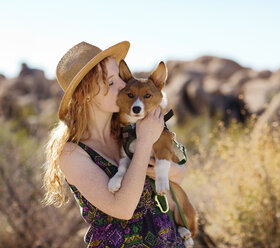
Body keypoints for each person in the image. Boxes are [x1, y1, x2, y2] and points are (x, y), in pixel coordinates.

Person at [42, 41, 187, 247]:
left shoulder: (131, 127)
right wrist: (145, 142)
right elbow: (122, 209)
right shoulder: (72, 153)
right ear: (86, 95)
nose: (122, 85)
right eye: (110, 82)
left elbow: (181, 173)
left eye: (118, 76)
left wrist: (164, 169)